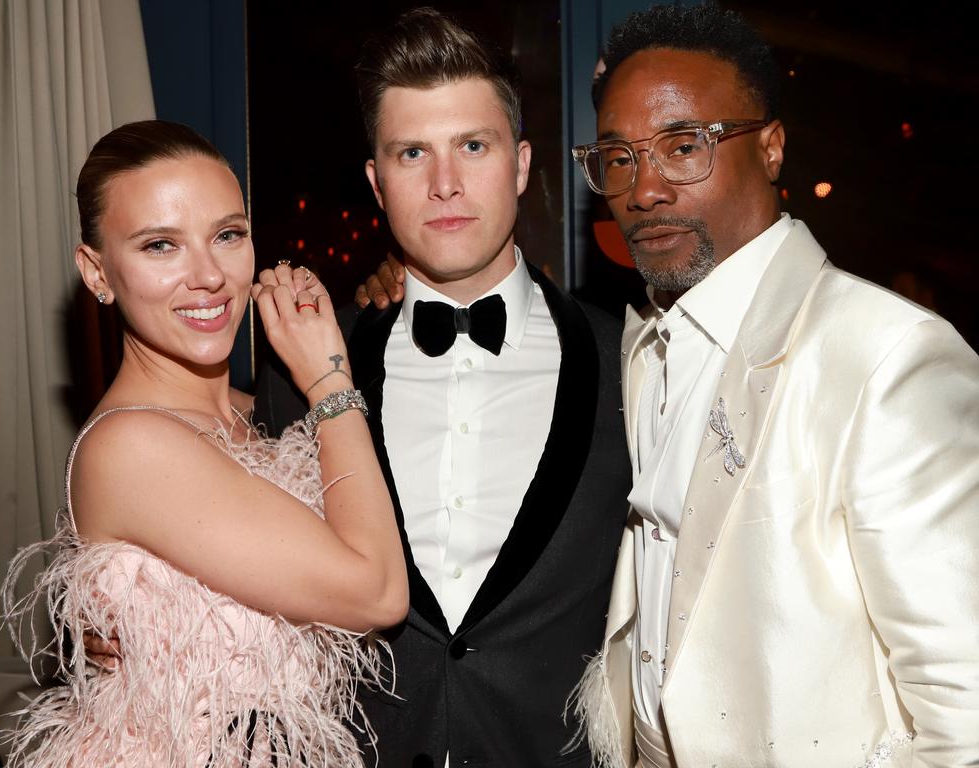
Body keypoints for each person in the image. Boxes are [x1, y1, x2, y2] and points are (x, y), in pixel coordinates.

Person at [562, 5, 979, 767]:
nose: (644, 189)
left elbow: (965, 710)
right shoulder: (644, 351)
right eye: (618, 158)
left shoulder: (887, 357)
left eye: (683, 146)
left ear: (774, 146)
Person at [253, 8, 632, 767]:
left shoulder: (632, 359)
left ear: (521, 165)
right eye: (412, 153)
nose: (446, 184)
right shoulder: (302, 371)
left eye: (473, 145)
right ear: (376, 181)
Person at [1, 120, 408, 767]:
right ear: (97, 271)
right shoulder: (130, 445)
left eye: (227, 235)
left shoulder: (259, 414)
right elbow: (377, 593)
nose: (209, 276)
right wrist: (329, 378)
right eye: (160, 245)